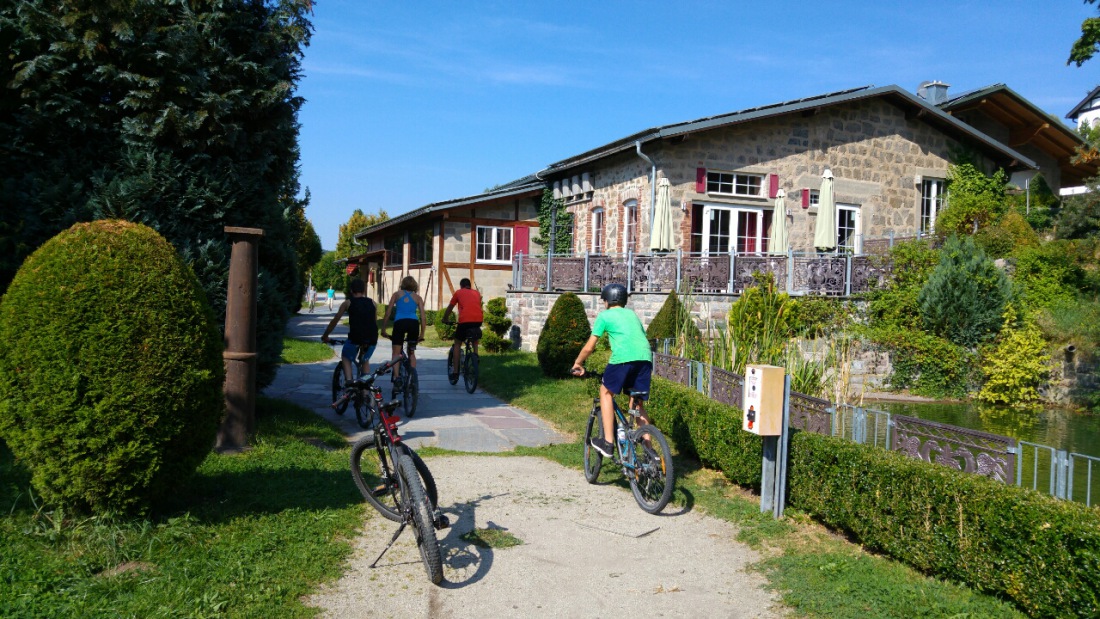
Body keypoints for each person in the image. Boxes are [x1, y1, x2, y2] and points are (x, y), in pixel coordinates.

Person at [570, 283, 653, 458]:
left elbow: (589, 347)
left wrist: (578, 363)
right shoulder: (632, 314)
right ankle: (649, 449)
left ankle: (608, 443)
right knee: (636, 403)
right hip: (645, 359)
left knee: (606, 392)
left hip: (623, 359)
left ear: (607, 301)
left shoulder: (605, 316)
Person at [321, 278, 378, 391]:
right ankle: (366, 393)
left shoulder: (348, 303)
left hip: (355, 338)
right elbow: (374, 322)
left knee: (346, 356)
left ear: (351, 290)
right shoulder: (373, 303)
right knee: (365, 360)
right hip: (372, 339)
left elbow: (335, 320)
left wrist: (325, 335)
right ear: (364, 290)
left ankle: (349, 382)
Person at [380, 275, 426, 382]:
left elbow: (388, 312)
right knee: (411, 353)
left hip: (399, 323)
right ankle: (412, 379)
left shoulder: (396, 295)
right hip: (413, 324)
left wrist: (383, 329)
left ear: (403, 284)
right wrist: (422, 333)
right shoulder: (418, 298)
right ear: (415, 285)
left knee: (396, 353)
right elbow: (423, 317)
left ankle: (396, 378)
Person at [441, 278, 483, 381]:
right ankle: (476, 355)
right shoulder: (477, 293)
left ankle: (455, 372)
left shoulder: (458, 293)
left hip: (464, 321)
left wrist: (445, 318)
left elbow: (450, 307)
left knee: (457, 344)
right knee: (474, 335)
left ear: (461, 286)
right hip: (478, 320)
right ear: (469, 285)